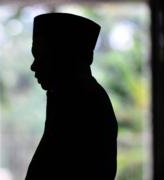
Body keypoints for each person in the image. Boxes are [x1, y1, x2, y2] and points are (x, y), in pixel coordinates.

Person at [25, 13, 118, 180]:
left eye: (42, 56)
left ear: (65, 57)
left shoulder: (84, 104)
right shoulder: (73, 98)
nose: (33, 66)